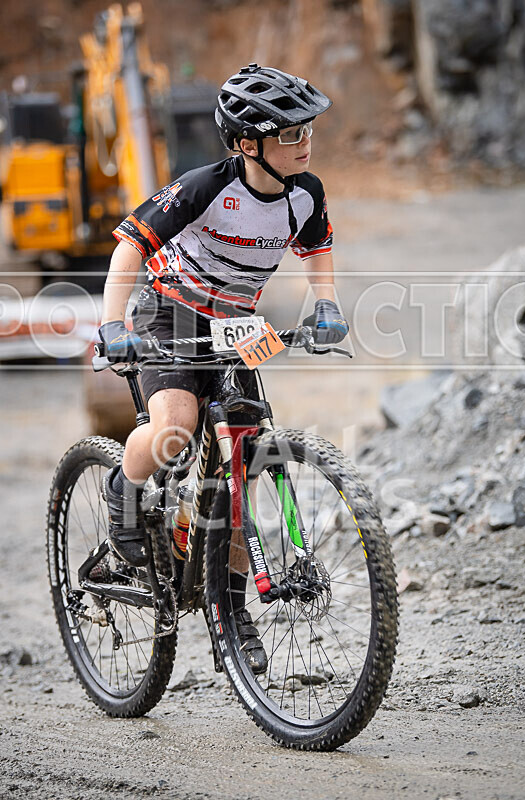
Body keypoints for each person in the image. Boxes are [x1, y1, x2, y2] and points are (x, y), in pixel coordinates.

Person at [97, 64, 349, 673]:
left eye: (307, 130)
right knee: (175, 427)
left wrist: (326, 306)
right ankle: (124, 489)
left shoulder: (306, 192)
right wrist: (112, 325)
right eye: (289, 134)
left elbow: (316, 248)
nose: (305, 142)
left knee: (242, 469)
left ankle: (230, 608)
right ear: (247, 145)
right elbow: (130, 246)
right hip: (168, 314)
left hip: (237, 325)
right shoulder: (205, 187)